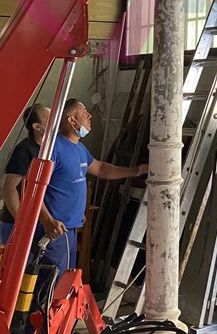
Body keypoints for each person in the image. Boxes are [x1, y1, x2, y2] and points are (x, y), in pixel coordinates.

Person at [40, 97, 148, 278]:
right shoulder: (54, 148)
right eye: (84, 112)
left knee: (65, 278)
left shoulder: (80, 149)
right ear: (71, 120)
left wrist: (134, 171)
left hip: (71, 227)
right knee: (52, 281)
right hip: (55, 228)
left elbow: (101, 169)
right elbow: (32, 187)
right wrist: (46, 220)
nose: (89, 116)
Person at [0, 103, 64, 246]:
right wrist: (21, 222)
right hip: (15, 224)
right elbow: (9, 189)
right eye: (48, 118)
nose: (54, 121)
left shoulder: (49, 149)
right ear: (37, 127)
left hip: (39, 221)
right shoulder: (24, 151)